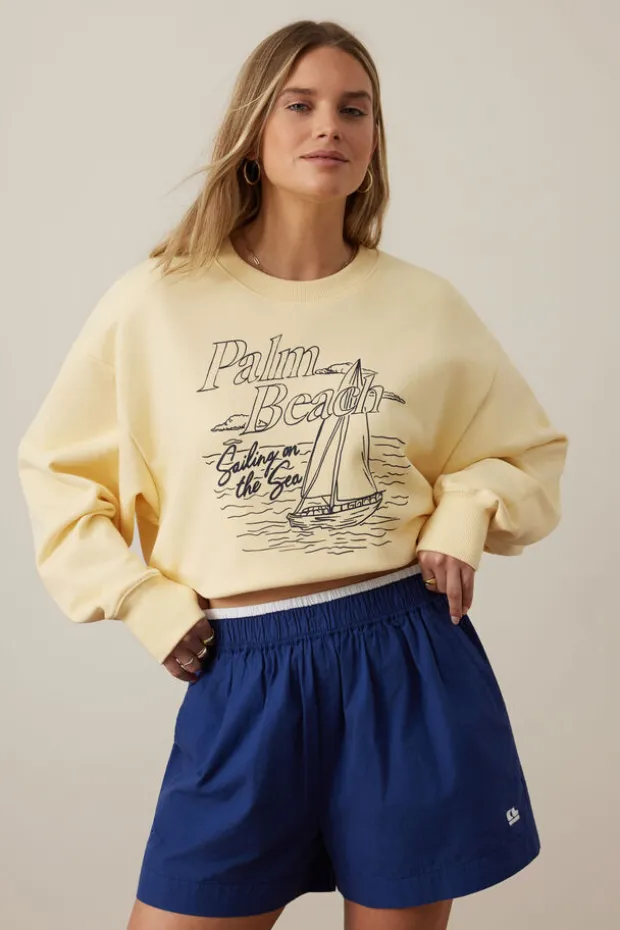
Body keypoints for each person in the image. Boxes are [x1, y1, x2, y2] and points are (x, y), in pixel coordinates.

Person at [17, 19, 568, 930]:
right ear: (252, 131)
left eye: (355, 109)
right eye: (300, 104)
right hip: (242, 669)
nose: (329, 127)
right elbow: (58, 473)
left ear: (375, 138)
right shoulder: (155, 303)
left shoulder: (425, 305)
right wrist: (140, 598)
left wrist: (465, 511)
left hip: (403, 659)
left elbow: (526, 451)